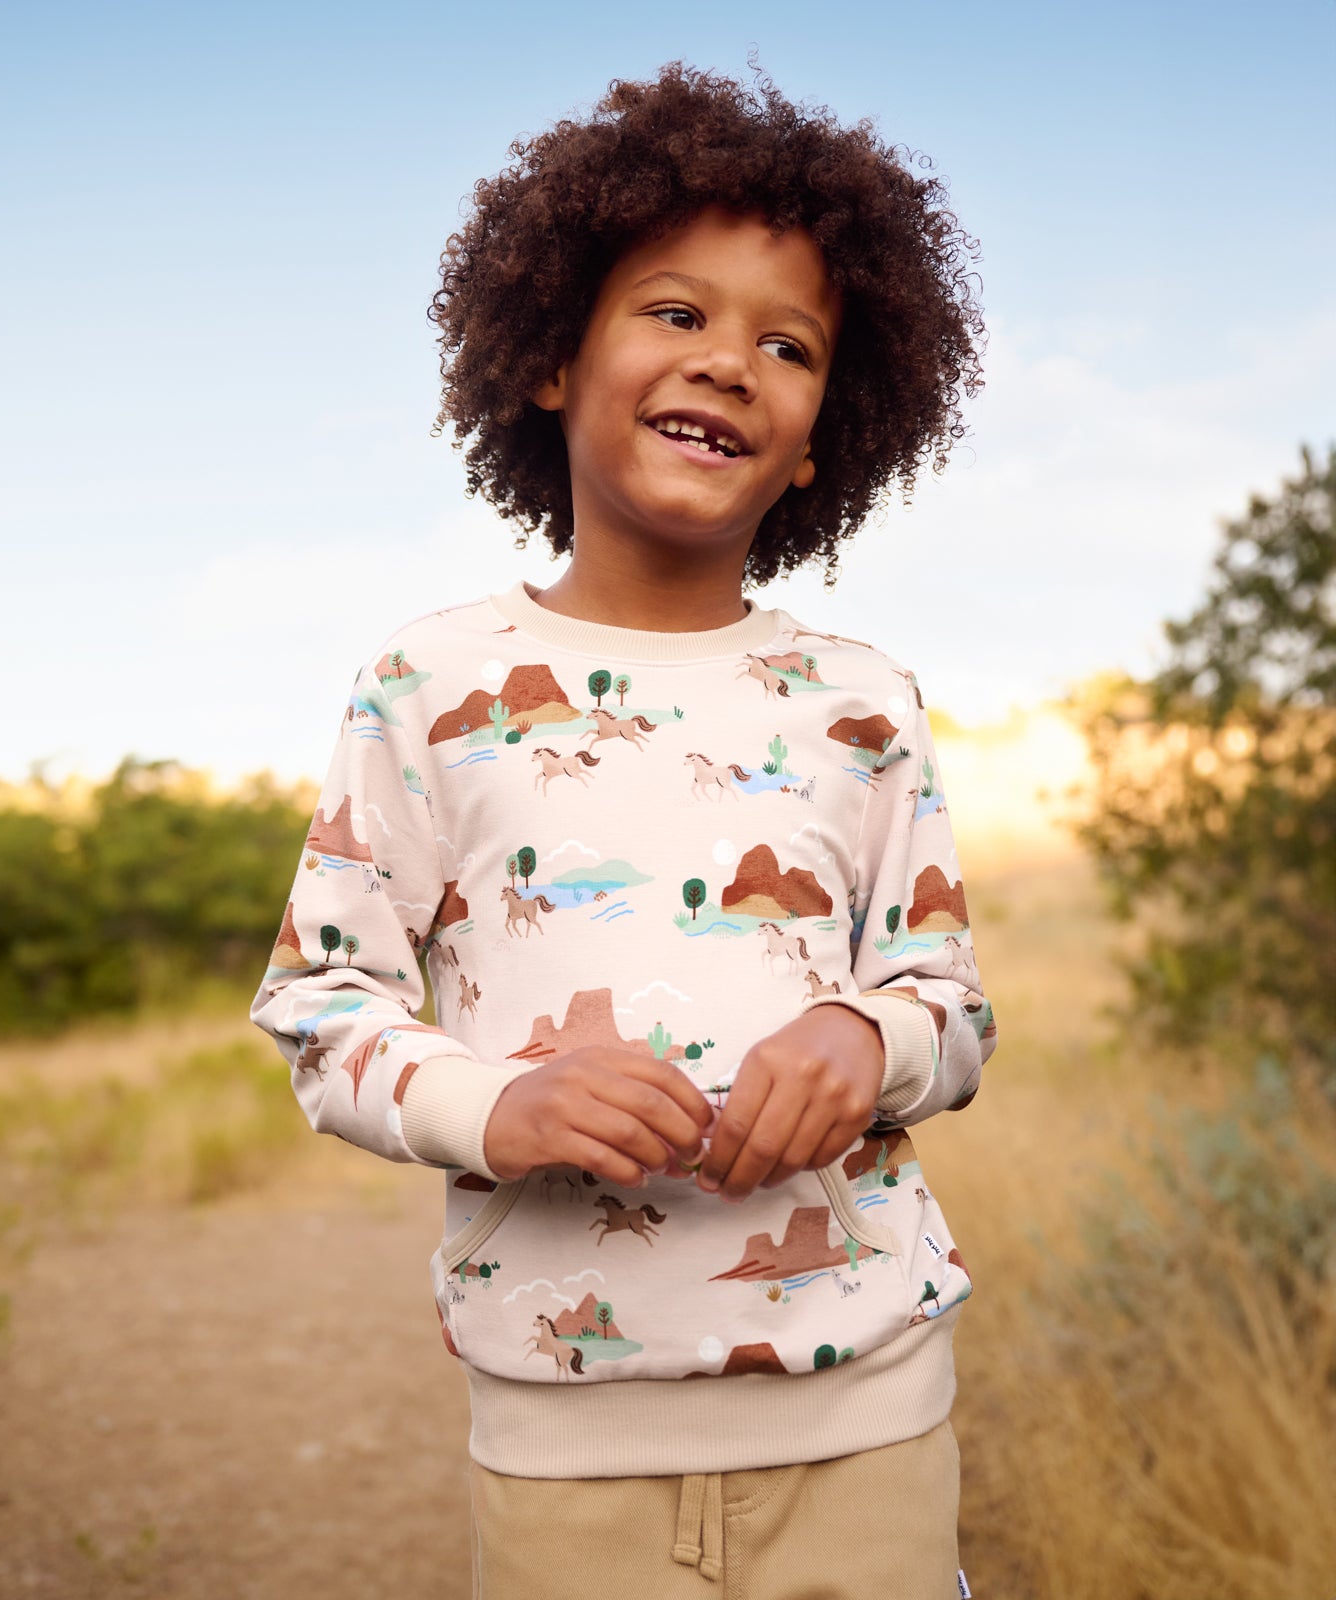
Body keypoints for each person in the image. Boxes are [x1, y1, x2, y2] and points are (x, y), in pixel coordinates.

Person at [252, 61, 995, 1598]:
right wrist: (496, 1107)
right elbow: (321, 1006)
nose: (729, 363)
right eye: (675, 314)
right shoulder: (428, 684)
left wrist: (873, 1040)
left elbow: (950, 1002)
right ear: (547, 362)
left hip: (866, 1433)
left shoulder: (863, 702)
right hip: (559, 1451)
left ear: (817, 444)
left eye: (787, 347)